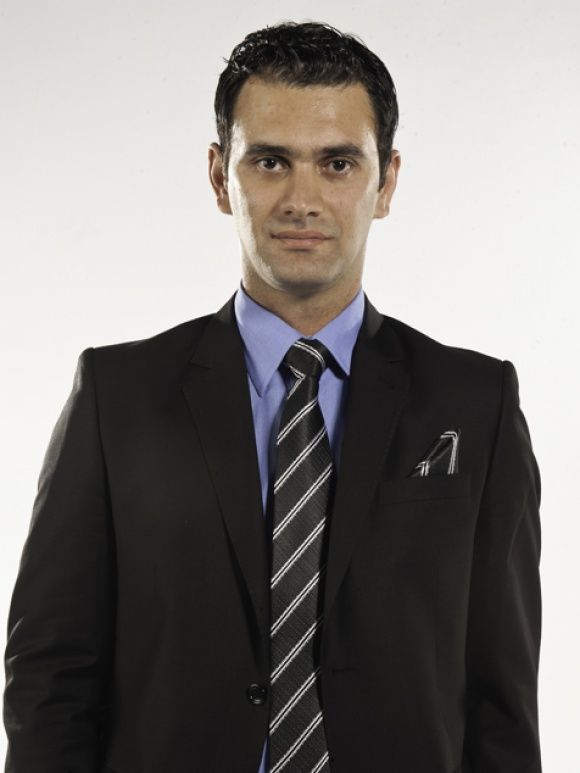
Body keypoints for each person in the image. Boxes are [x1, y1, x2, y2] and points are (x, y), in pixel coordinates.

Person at [3, 21, 542, 773]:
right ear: (220, 176)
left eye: (337, 163)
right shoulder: (116, 397)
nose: (302, 199)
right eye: (270, 161)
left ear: (385, 182)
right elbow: (51, 674)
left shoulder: (475, 403)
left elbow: (501, 696)